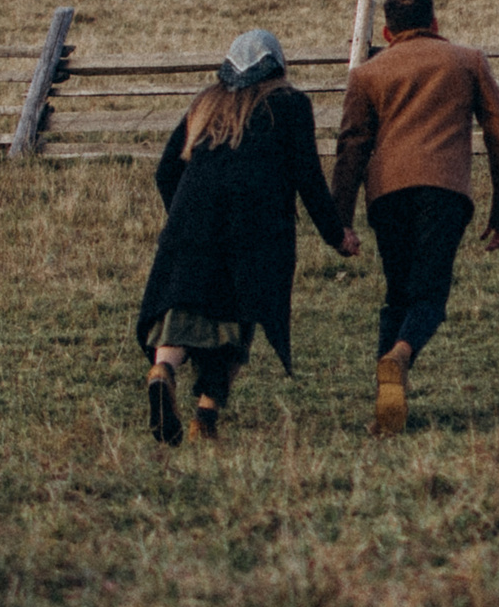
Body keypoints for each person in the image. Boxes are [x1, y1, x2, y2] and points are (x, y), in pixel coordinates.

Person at [137, 30, 356, 445]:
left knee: (181, 313)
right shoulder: (289, 105)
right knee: (237, 320)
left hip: (192, 228)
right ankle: (205, 417)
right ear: (277, 65)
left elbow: (166, 171)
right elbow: (308, 179)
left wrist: (185, 221)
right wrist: (336, 235)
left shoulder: (205, 103)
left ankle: (162, 372)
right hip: (254, 231)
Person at [332, 0, 499, 437]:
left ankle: (386, 410)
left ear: (386, 32)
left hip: (387, 196)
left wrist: (338, 220)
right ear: (435, 24)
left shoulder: (367, 74)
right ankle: (400, 355)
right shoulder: (468, 60)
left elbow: (352, 146)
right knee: (430, 295)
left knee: (398, 294)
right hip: (445, 192)